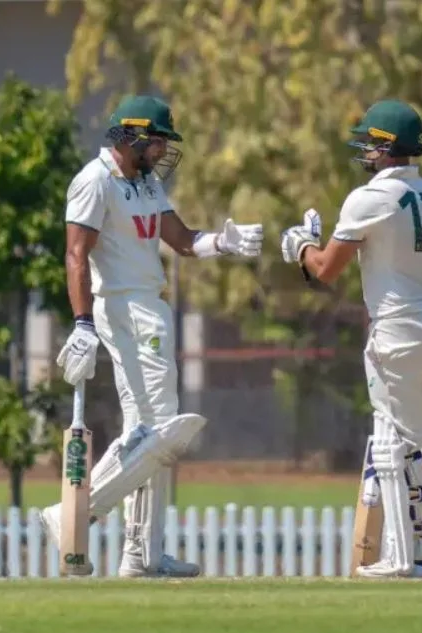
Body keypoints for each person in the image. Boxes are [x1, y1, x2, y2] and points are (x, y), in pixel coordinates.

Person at [43, 95, 264, 577]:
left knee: (149, 432)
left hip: (151, 307)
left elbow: (182, 241)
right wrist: (82, 323)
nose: (163, 150)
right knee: (159, 430)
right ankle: (76, 516)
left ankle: (141, 554)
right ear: (133, 136)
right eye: (158, 140)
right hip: (123, 308)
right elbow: (76, 255)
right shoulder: (93, 180)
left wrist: (224, 242)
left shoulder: (144, 184)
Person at [279, 99, 422, 578]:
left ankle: (408, 558)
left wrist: (299, 245)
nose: (364, 151)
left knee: (394, 444)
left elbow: (326, 270)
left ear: (385, 146)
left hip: (396, 331)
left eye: (369, 142)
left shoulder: (370, 198)